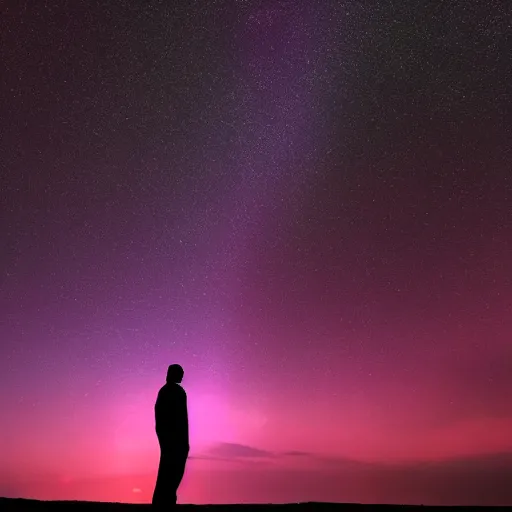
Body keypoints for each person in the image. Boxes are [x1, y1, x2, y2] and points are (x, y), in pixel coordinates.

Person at [152, 364, 189, 507]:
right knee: (171, 471)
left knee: (169, 471)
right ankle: (164, 502)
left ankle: (164, 501)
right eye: (180, 373)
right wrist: (178, 440)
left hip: (172, 440)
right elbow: (179, 419)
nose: (182, 376)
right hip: (174, 441)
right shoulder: (173, 392)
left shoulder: (169, 391)